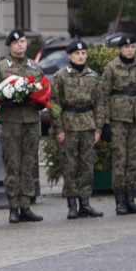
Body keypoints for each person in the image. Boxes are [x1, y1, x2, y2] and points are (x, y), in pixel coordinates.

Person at [0, 29, 43, 223]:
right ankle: (13, 207)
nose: (20, 45)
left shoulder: (35, 67)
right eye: (16, 42)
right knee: (13, 165)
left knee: (28, 165)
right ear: (9, 46)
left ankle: (26, 206)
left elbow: (44, 89)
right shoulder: (2, 67)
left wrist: (39, 100)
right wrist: (9, 95)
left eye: (23, 41)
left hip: (30, 121)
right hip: (11, 122)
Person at [96, 34, 136, 215]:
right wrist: (104, 124)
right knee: (119, 160)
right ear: (120, 48)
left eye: (133, 47)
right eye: (127, 47)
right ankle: (120, 200)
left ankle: (131, 198)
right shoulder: (111, 68)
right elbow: (103, 96)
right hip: (117, 120)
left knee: (134, 161)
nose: (130, 50)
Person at [48, 39, 103, 219]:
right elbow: (54, 104)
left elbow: (100, 104)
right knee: (69, 166)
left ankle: (85, 203)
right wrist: (59, 129)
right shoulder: (61, 76)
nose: (81, 56)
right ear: (69, 56)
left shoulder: (93, 76)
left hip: (88, 124)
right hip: (69, 125)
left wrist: (98, 128)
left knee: (87, 165)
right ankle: (72, 204)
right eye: (77, 54)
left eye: (83, 53)